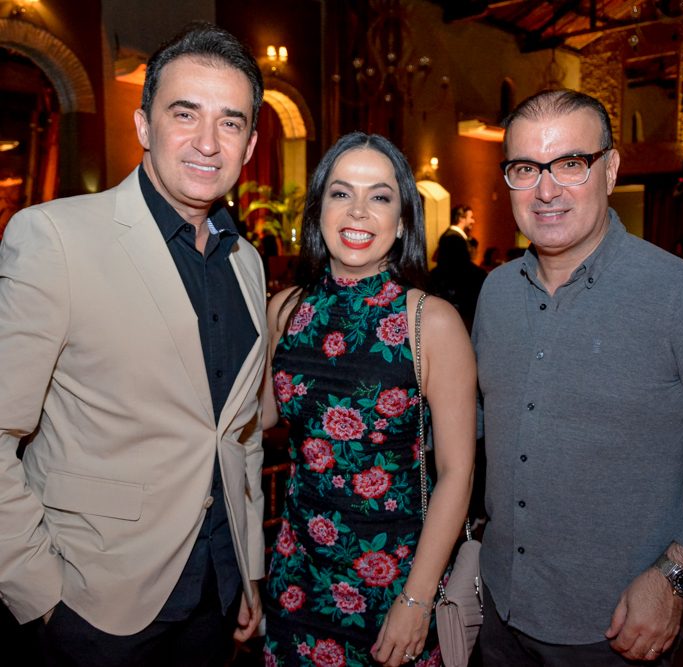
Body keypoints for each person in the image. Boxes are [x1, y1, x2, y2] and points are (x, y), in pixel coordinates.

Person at [0, 22, 267, 667]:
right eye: (185, 114)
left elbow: (241, 433)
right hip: (95, 603)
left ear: (251, 144)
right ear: (145, 125)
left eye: (230, 122)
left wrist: (248, 566)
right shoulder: (55, 237)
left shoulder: (247, 262)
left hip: (216, 594)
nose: (208, 142)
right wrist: (39, 595)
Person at [473, 88, 683, 666]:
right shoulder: (495, 293)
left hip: (616, 628)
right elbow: (474, 427)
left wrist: (677, 577)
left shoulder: (676, 294)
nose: (546, 190)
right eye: (526, 168)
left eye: (570, 163)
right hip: (499, 609)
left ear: (610, 169)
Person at [262, 132, 476, 666]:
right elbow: (256, 418)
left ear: (402, 221)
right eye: (341, 193)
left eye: (379, 196)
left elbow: (457, 473)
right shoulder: (286, 310)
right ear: (318, 211)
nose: (358, 210)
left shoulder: (431, 322)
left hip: (395, 583)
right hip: (297, 576)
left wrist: (417, 599)